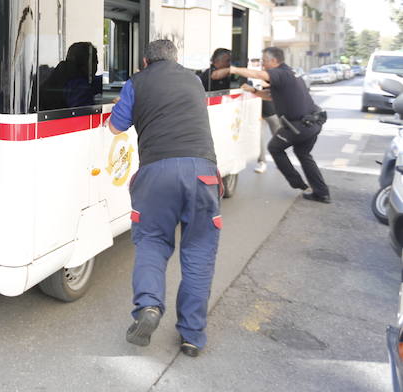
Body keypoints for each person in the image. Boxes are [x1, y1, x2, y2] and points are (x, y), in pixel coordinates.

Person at [107, 39, 221, 358]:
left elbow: (116, 127)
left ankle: (149, 307)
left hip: (156, 173)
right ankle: (191, 336)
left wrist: (125, 103)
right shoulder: (195, 81)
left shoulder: (137, 82)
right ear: (175, 59)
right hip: (203, 171)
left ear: (145, 61)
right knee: (199, 251)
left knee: (153, 243)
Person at [226, 46, 330, 203]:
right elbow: (270, 96)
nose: (262, 64)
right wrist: (253, 90)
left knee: (274, 148)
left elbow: (257, 74)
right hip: (313, 122)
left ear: (274, 61)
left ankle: (299, 184)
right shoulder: (289, 74)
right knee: (303, 154)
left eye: (264, 61)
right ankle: (322, 193)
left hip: (301, 125)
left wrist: (232, 69)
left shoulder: (279, 72)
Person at [242, 58, 280, 174]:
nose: (257, 64)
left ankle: (280, 161)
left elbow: (274, 86)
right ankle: (262, 162)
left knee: (278, 137)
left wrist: (259, 82)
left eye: (258, 62)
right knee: (259, 138)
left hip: (272, 111)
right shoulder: (250, 74)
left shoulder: (271, 74)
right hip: (257, 112)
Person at [39, 41, 103, 109]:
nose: (97, 63)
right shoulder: (77, 85)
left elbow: (96, 82)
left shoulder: (62, 74)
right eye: (95, 61)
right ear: (86, 63)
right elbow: (85, 113)